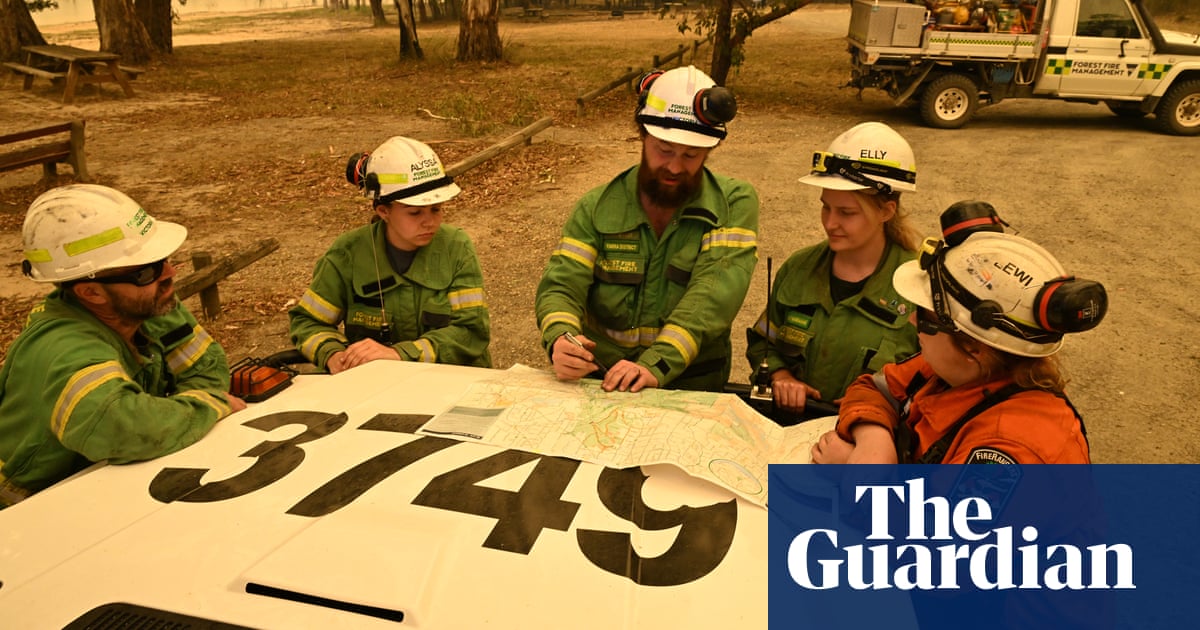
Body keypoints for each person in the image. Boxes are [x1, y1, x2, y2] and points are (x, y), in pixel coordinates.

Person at [0, 184, 244, 508]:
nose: (169, 274)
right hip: (28, 513)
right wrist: (209, 406)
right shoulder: (62, 348)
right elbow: (124, 428)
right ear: (91, 293)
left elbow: (207, 367)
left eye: (164, 259)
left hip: (108, 488)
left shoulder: (150, 305)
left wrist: (186, 411)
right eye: (146, 271)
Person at [810, 201, 1108, 465]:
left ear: (974, 348)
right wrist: (874, 442)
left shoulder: (1012, 449)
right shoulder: (956, 370)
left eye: (927, 318)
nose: (913, 321)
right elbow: (874, 388)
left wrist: (855, 473)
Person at [535, 65, 759, 393]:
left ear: (710, 151)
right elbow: (561, 286)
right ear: (642, 135)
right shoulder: (596, 207)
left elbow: (711, 299)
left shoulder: (733, 204)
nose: (674, 166)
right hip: (604, 380)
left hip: (691, 384)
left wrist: (655, 364)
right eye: (663, 150)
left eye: (691, 155)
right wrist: (561, 339)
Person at [746, 122, 922, 416]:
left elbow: (937, 386)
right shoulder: (799, 269)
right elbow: (765, 344)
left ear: (886, 211)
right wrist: (781, 376)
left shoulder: (918, 289)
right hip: (791, 437)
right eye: (826, 207)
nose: (830, 223)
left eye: (847, 212)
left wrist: (883, 402)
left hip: (869, 451)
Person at [289, 136, 490, 373]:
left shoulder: (456, 247)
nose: (430, 222)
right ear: (384, 211)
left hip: (450, 383)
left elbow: (471, 331)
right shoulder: (348, 254)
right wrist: (332, 353)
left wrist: (400, 354)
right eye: (415, 213)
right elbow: (307, 322)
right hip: (375, 387)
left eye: (436, 209)